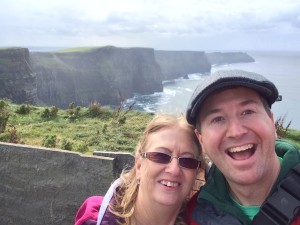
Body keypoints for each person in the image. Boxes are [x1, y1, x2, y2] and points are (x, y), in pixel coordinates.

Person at [185, 69, 300, 225]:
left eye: (247, 112)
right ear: (201, 141)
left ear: (271, 123)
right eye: (217, 119)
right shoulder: (194, 215)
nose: (236, 132)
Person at [75, 114, 203, 225]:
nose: (174, 170)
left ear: (196, 173)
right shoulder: (95, 219)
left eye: (187, 161)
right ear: (139, 165)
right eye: (160, 156)